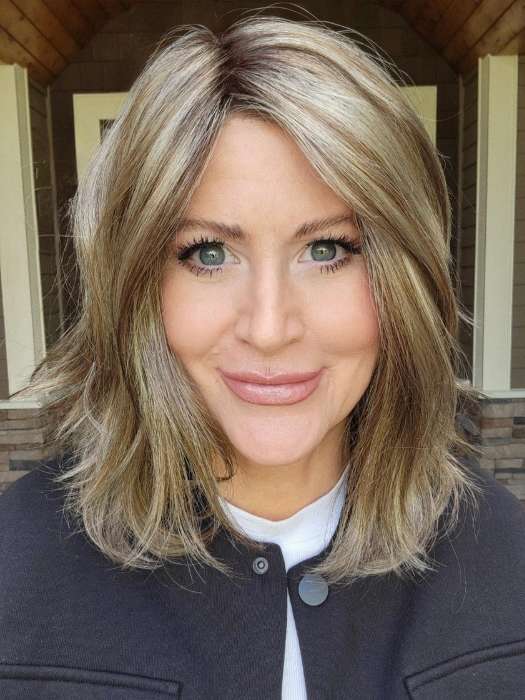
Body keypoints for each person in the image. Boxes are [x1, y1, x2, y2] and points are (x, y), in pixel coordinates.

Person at [1, 11, 524, 700]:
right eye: (209, 254)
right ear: (135, 284)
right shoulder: (16, 572)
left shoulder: (507, 565)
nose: (270, 328)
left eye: (327, 249)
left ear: (406, 277)